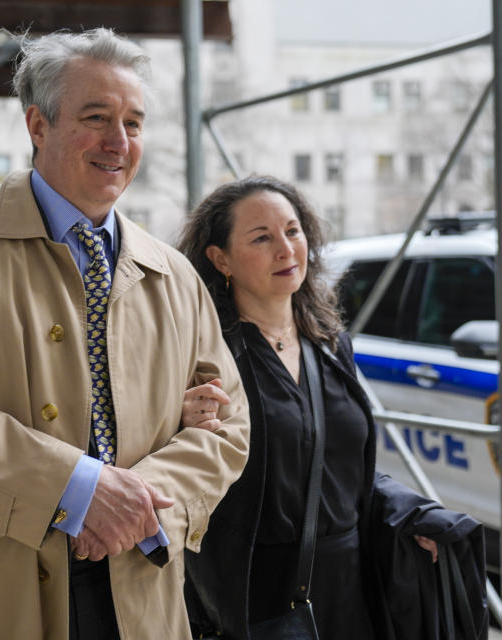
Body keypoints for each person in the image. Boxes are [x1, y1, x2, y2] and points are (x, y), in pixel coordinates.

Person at [0, 28, 249, 640]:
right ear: (37, 125)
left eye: (133, 122)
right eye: (96, 117)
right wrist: (77, 489)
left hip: (138, 583)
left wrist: (136, 501)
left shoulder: (174, 273)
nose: (118, 142)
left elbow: (230, 426)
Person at [178, 176, 442, 639]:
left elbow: (337, 464)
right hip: (254, 593)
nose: (286, 249)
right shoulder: (204, 356)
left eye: (293, 231)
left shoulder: (330, 343)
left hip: (350, 586)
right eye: (262, 238)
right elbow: (173, 477)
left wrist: (411, 514)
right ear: (220, 259)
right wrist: (181, 428)